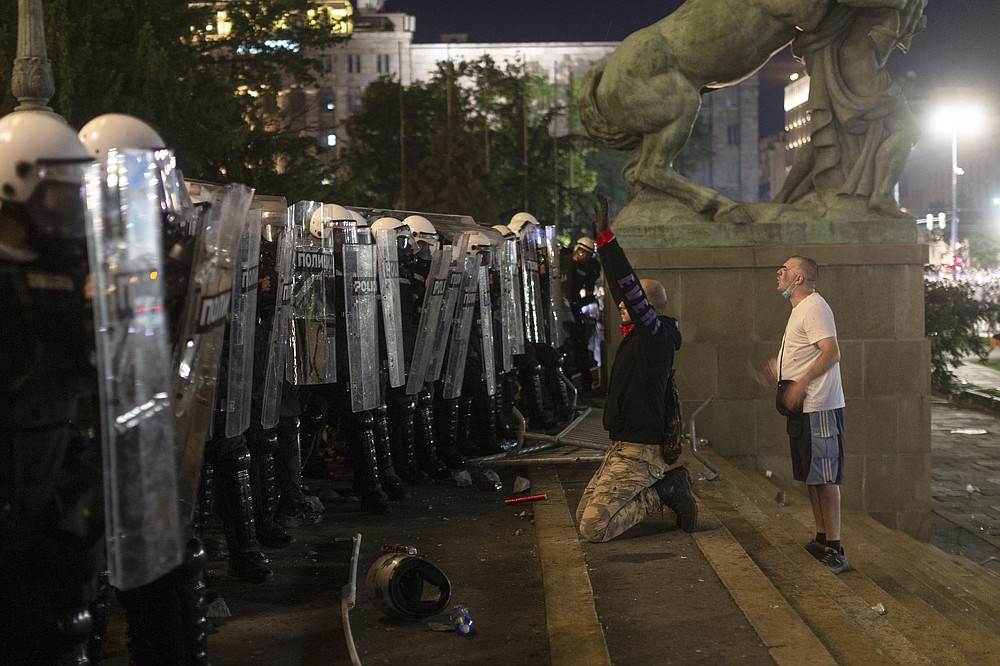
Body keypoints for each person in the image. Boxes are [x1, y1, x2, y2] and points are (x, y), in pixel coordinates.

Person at [576, 194, 697, 543]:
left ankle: (667, 490)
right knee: (584, 514)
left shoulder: (655, 339)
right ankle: (663, 488)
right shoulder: (638, 336)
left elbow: (627, 287)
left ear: (649, 309)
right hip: (620, 446)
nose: (621, 306)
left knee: (594, 528)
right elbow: (621, 288)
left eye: (632, 303)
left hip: (641, 452)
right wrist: (602, 241)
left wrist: (610, 243)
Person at [772, 256, 849, 574]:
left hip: (819, 405)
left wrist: (801, 383)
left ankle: (836, 548)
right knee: (813, 476)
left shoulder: (815, 306)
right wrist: (777, 368)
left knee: (826, 477)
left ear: (799, 279)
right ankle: (821, 538)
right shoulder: (799, 310)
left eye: (786, 269)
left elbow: (832, 351)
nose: (779, 273)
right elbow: (803, 352)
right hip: (804, 406)